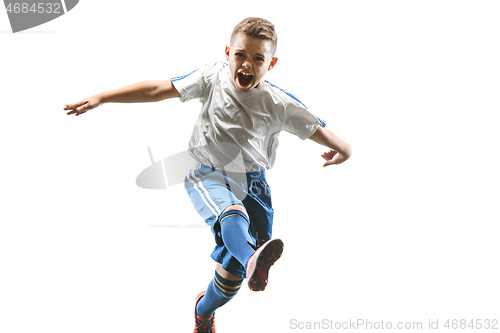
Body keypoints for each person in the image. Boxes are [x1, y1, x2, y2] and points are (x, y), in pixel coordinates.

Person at [65, 17, 352, 333]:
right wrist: (102, 98)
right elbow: (158, 88)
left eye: (258, 58)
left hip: (254, 186)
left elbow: (315, 128)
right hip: (206, 172)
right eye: (241, 55)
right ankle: (251, 260)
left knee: (228, 285)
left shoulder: (278, 103)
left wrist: (345, 150)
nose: (247, 64)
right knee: (232, 214)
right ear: (227, 52)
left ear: (272, 63)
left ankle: (204, 311)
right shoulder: (211, 78)